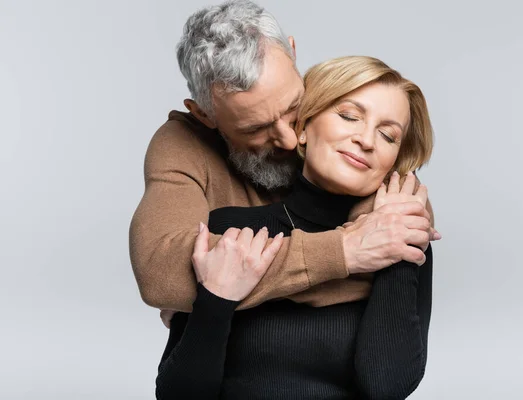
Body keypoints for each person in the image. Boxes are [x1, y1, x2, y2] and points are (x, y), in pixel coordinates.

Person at [129, 0, 440, 325]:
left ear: (292, 51)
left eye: (293, 106)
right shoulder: (182, 143)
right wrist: (346, 252)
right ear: (205, 115)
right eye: (256, 128)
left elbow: (396, 238)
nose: (290, 139)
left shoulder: (340, 121)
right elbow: (161, 273)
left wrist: (214, 300)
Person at [155, 55, 435, 399]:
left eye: (388, 136)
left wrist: (397, 247)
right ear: (302, 128)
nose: (366, 140)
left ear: (395, 159)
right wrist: (214, 303)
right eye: (349, 116)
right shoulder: (231, 232)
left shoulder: (404, 243)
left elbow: (385, 386)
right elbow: (176, 394)